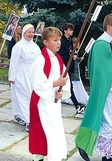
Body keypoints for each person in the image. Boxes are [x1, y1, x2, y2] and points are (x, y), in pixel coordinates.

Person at [75, 13, 112, 161]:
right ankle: (106, 155)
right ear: (109, 26)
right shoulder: (102, 44)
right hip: (107, 91)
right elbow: (102, 72)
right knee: (111, 124)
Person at [29, 26, 71, 161]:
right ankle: (43, 156)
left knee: (55, 128)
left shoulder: (58, 59)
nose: (59, 43)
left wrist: (62, 91)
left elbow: (64, 78)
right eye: (55, 40)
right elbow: (38, 82)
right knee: (46, 129)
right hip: (43, 100)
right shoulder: (40, 60)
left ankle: (53, 156)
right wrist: (55, 84)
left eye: (59, 40)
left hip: (54, 100)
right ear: (46, 42)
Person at [8, 24, 41, 131]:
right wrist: (12, 77)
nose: (31, 34)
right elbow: (14, 62)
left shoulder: (35, 46)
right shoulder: (18, 46)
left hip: (32, 74)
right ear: (24, 33)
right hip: (21, 74)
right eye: (29, 32)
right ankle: (29, 121)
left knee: (31, 96)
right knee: (23, 96)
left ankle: (20, 115)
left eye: (32, 32)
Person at [58, 22, 86, 113]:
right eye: (70, 30)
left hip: (68, 66)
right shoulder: (61, 41)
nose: (72, 31)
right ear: (65, 30)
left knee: (68, 86)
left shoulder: (69, 41)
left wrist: (74, 56)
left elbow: (70, 52)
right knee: (68, 86)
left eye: (72, 30)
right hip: (62, 66)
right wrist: (71, 57)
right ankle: (77, 104)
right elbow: (61, 55)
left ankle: (77, 104)